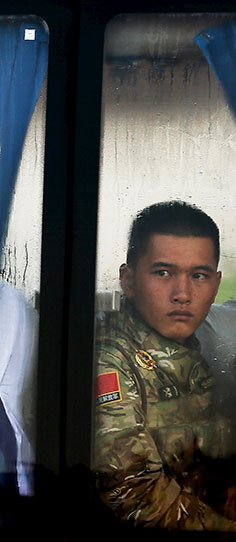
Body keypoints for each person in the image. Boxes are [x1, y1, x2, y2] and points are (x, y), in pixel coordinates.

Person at [93, 200, 236, 530]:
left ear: (215, 285)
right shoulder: (111, 359)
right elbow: (133, 494)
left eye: (198, 275)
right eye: (163, 273)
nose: (183, 293)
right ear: (128, 281)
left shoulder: (187, 353)